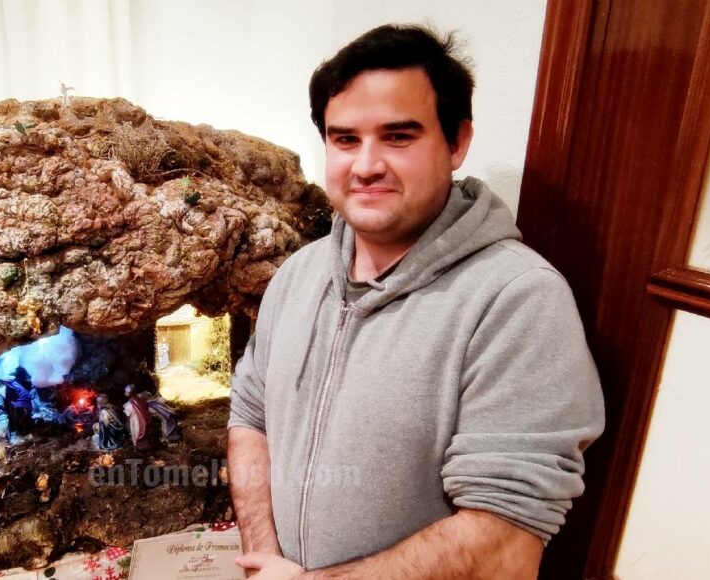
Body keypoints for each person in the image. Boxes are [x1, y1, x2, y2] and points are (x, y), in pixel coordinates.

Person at [227, 24, 605, 579]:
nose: (366, 165)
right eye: (345, 139)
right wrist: (263, 557)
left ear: (456, 143)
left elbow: (504, 543)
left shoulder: (519, 299)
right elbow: (250, 415)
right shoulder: (298, 274)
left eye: (398, 137)